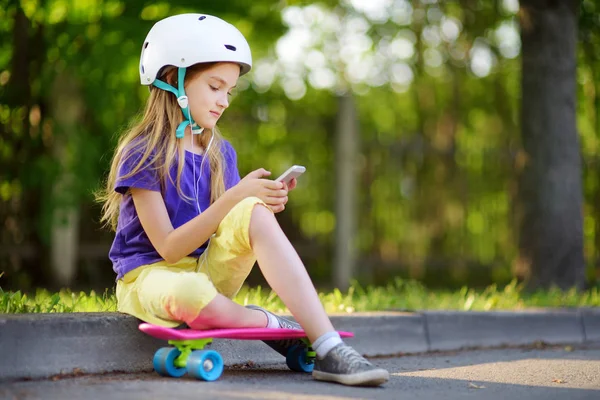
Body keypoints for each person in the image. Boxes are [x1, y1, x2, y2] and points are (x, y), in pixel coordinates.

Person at [97, 13, 389, 387]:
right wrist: (235, 196)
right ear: (174, 80)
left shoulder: (220, 153)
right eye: (215, 86)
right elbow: (169, 249)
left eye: (229, 92)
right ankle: (270, 322)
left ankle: (329, 347)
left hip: (207, 273)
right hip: (150, 279)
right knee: (192, 291)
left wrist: (257, 203)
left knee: (252, 212)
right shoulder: (143, 152)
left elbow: (227, 225)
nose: (224, 102)